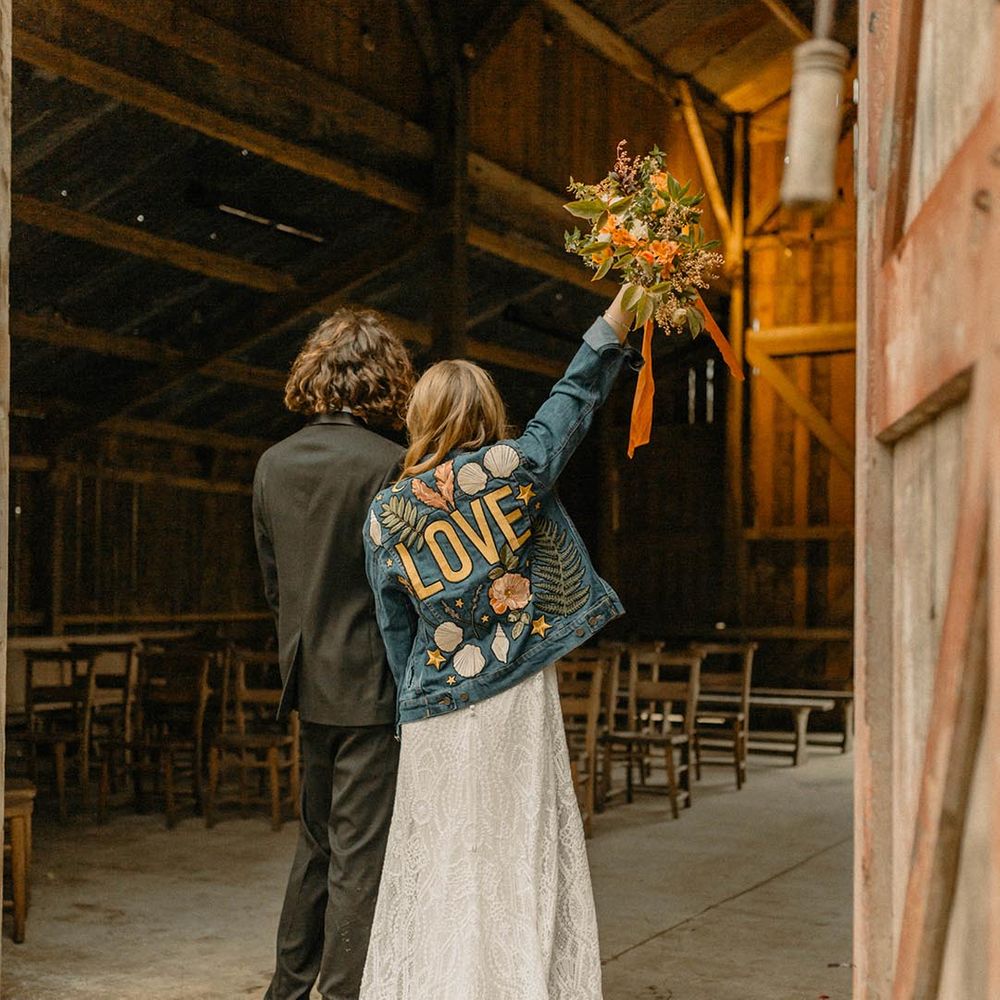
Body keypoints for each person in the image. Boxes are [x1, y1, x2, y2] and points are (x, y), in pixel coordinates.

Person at [359, 286, 640, 1000]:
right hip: (516, 697)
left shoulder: (386, 515)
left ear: (419, 417)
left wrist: (413, 705)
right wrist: (621, 313)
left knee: (443, 856)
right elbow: (573, 399)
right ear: (486, 414)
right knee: (518, 845)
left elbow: (396, 628)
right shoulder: (516, 469)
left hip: (437, 711)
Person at [254, 309, 415, 1000]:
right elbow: (408, 587)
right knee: (359, 858)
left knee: (314, 845)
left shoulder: (272, 464)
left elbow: (273, 585)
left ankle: (286, 991)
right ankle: (343, 993)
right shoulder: (393, 465)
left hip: (308, 680)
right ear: (385, 379)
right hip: (374, 686)